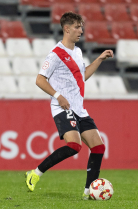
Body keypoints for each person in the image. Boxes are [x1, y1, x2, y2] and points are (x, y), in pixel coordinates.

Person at [25, 12, 113, 200]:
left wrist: (99, 59)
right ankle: (35, 173)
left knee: (98, 147)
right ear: (66, 29)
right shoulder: (55, 54)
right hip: (63, 107)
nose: (81, 30)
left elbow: (82, 77)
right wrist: (58, 95)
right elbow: (39, 80)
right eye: (77, 27)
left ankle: (89, 193)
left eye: (81, 26)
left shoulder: (78, 52)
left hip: (79, 109)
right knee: (74, 145)